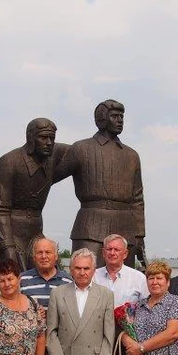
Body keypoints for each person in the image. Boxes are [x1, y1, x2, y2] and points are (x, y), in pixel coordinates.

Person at [53, 100, 146, 267]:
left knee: (125, 281)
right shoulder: (81, 148)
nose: (120, 120)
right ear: (102, 119)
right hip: (90, 225)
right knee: (84, 274)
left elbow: (137, 198)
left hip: (125, 226)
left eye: (122, 116)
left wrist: (139, 234)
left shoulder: (131, 155)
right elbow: (52, 177)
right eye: (115, 116)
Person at [0, 119, 67, 269]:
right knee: (13, 271)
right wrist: (8, 246)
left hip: (35, 231)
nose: (49, 143)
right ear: (31, 138)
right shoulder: (9, 162)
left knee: (50, 269)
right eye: (43, 138)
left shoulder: (52, 157)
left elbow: (80, 151)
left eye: (52, 138)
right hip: (11, 231)